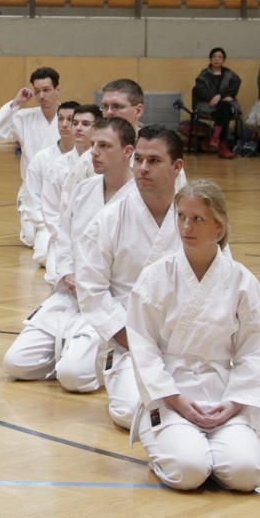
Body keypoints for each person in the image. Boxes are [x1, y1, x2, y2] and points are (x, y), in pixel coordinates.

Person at [127, 179, 260, 492]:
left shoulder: (241, 280)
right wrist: (174, 398)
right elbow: (142, 344)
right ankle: (175, 448)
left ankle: (210, 449)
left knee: (247, 474)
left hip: (222, 394)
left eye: (197, 219)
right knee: (189, 472)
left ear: (219, 228)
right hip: (169, 394)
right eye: (181, 216)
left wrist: (236, 402)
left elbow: (258, 349)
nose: (186, 227)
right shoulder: (158, 275)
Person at [3, 116, 136, 392]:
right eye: (93, 144)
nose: (94, 152)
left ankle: (108, 362)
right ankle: (72, 353)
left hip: (110, 300)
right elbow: (63, 237)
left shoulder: (139, 200)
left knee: (74, 378)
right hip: (70, 296)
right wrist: (67, 273)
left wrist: (92, 285)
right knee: (15, 364)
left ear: (128, 152)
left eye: (104, 146)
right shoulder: (85, 189)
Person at [78, 125, 195, 429]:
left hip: (188, 342)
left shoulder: (199, 217)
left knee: (205, 402)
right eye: (139, 159)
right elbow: (91, 291)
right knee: (130, 412)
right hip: (129, 340)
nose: (143, 168)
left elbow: (223, 284)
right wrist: (136, 341)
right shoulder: (110, 218)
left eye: (154, 161)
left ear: (177, 166)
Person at [0, 67, 62, 252]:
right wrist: (16, 103)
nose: (42, 95)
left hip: (61, 188)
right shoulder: (24, 117)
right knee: (30, 239)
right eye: (37, 91)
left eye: (47, 90)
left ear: (57, 90)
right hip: (32, 189)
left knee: (54, 236)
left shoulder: (70, 118)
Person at [39, 104, 101, 282]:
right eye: (76, 123)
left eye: (86, 124)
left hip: (99, 239)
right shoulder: (58, 166)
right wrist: (67, 240)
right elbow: (50, 210)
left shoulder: (107, 164)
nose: (79, 128)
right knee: (55, 278)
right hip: (66, 238)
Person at [21, 100, 81, 268]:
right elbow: (32, 197)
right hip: (50, 221)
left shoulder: (90, 157)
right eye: (60, 119)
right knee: (43, 255)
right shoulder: (42, 158)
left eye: (71, 120)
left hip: (79, 222)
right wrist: (47, 225)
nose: (64, 124)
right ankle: (31, 232)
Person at [193, 47, 241, 159]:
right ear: (210, 59)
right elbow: (200, 91)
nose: (217, 59)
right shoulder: (203, 75)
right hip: (208, 105)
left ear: (223, 59)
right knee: (225, 109)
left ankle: (215, 137)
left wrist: (220, 96)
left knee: (224, 107)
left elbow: (234, 87)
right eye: (214, 57)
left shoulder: (230, 74)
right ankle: (223, 145)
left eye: (219, 57)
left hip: (224, 105)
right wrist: (213, 98)